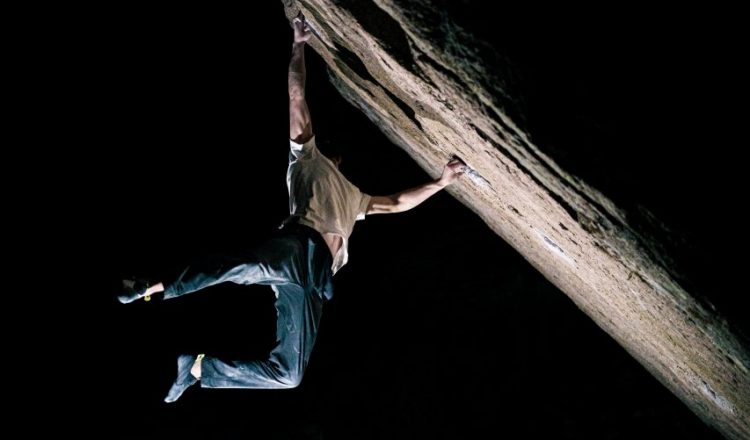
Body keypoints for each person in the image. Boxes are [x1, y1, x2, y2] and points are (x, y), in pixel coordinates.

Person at [118, 15, 465, 403]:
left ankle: (198, 369)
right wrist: (298, 43)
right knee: (232, 268)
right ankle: (151, 288)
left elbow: (399, 203)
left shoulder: (354, 196)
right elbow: (297, 97)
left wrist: (441, 181)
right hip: (296, 250)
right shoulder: (306, 157)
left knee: (289, 375)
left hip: (310, 286)